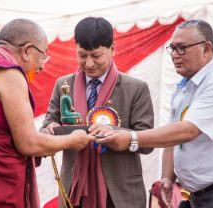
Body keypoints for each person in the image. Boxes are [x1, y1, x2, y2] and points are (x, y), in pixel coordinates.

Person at [96, 19, 213, 208]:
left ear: (207, 49)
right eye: (172, 48)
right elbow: (172, 141)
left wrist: (131, 138)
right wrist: (167, 179)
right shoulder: (183, 88)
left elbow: (187, 131)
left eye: (182, 48)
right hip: (200, 195)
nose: (175, 56)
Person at [0, 18, 94, 208]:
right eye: (44, 55)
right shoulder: (7, 72)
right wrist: (73, 140)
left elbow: (2, 135)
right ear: (27, 51)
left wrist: (43, 141)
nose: (43, 66)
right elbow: (28, 143)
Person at [40, 17, 154, 208]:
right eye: (82, 56)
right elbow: (47, 128)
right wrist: (50, 129)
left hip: (120, 194)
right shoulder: (63, 85)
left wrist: (114, 132)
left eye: (96, 55)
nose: (89, 63)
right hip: (74, 190)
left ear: (113, 49)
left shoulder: (136, 88)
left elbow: (147, 142)